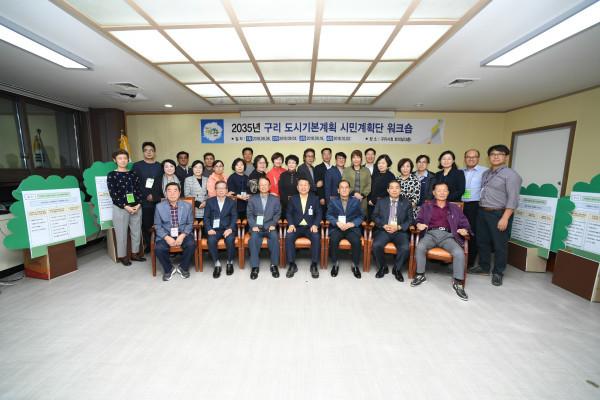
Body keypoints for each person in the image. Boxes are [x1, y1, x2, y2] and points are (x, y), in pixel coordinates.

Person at [470, 145, 522, 287]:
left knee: (500, 244)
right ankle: (484, 267)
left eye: (500, 154)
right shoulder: (486, 173)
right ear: (489, 157)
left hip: (499, 213)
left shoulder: (511, 175)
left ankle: (498, 272)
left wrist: (505, 218)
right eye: (493, 154)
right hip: (482, 211)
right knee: (482, 241)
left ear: (506, 157)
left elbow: (513, 198)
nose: (496, 156)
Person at [412, 182, 472, 301]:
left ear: (448, 192)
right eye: (439, 190)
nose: (442, 193)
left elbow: (464, 223)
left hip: (448, 236)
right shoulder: (427, 206)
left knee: (459, 253)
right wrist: (418, 224)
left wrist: (465, 230)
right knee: (420, 247)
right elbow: (418, 219)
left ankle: (458, 282)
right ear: (434, 192)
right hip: (430, 234)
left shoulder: (454, 208)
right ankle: (420, 275)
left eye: (445, 190)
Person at [107, 149, 145, 266]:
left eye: (125, 158)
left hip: (136, 207)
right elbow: (113, 194)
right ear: (115, 160)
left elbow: (139, 190)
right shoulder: (112, 175)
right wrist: (125, 206)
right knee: (121, 233)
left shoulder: (133, 174)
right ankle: (123, 256)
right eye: (120, 158)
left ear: (128, 160)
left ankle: (135, 253)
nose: (123, 160)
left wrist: (138, 204)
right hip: (120, 208)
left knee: (136, 231)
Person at [371, 180, 413, 281]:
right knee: (376, 245)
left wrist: (399, 227)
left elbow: (410, 220)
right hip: (384, 230)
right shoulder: (381, 202)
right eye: (392, 188)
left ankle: (397, 269)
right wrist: (383, 225)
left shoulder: (406, 203)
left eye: (397, 188)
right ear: (388, 190)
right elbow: (374, 216)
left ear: (400, 190)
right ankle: (382, 267)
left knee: (405, 248)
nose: (394, 190)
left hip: (399, 232)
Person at [153, 182, 195, 281]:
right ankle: (168, 269)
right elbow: (157, 225)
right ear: (165, 193)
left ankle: (183, 267)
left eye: (175, 190)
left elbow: (190, 223)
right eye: (169, 191)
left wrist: (182, 235)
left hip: (182, 233)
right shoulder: (159, 207)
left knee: (191, 244)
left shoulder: (187, 206)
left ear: (179, 193)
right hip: (166, 234)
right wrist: (167, 237)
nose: (172, 193)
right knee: (159, 248)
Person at [285, 177, 322, 279]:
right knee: (289, 236)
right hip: (296, 227)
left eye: (305, 185)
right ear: (297, 187)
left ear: (309, 187)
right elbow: (288, 213)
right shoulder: (293, 199)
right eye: (301, 185)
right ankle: (292, 264)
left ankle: (314, 264)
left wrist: (315, 225)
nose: (303, 187)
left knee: (316, 237)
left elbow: (319, 213)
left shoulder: (315, 198)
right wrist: (291, 224)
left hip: (310, 227)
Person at [326, 180, 363, 279]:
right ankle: (335, 264)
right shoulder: (333, 201)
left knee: (356, 241)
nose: (344, 189)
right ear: (338, 190)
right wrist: (336, 223)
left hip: (351, 228)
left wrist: (352, 223)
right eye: (341, 187)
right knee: (333, 240)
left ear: (349, 189)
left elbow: (361, 216)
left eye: (346, 187)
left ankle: (355, 265)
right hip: (337, 228)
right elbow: (328, 215)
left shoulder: (356, 201)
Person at [247, 177, 281, 280]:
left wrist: (273, 224)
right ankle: (255, 267)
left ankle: (274, 265)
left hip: (270, 226)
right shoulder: (252, 199)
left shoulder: (275, 199)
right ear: (258, 186)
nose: (263, 186)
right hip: (257, 227)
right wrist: (253, 225)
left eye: (265, 184)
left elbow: (277, 213)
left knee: (274, 238)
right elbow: (249, 214)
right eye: (261, 185)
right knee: (253, 239)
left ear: (269, 186)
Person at [131, 141, 162, 253]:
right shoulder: (137, 166)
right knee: (146, 224)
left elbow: (160, 183)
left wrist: (154, 195)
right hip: (143, 201)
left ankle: (159, 243)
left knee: (159, 223)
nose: (149, 152)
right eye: (146, 150)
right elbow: (134, 183)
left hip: (157, 199)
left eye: (151, 150)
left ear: (155, 152)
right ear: (143, 152)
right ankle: (149, 245)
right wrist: (145, 195)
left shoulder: (159, 166)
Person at [204, 180, 238, 278]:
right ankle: (217, 263)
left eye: (223, 188)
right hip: (214, 229)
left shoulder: (232, 202)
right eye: (218, 188)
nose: (221, 190)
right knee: (211, 240)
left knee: (230, 239)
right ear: (215, 190)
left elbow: (234, 217)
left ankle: (229, 262)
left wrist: (230, 228)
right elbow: (206, 217)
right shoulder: (210, 201)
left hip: (227, 228)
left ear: (226, 190)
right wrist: (209, 229)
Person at [462, 149, 488, 269]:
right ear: (465, 158)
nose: (471, 159)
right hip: (460, 204)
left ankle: (470, 261)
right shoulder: (460, 171)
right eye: (468, 156)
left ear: (478, 158)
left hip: (475, 205)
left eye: (474, 156)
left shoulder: (485, 171)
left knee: (472, 232)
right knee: (458, 230)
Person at [342, 149, 371, 215]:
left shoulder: (366, 170)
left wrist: (362, 195)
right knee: (349, 216)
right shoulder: (347, 170)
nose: (356, 159)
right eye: (354, 157)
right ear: (351, 159)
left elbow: (369, 185)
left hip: (362, 199)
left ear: (361, 159)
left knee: (362, 217)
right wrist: (354, 193)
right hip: (349, 198)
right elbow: (344, 184)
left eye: (358, 157)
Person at [368, 154, 395, 220]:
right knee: (370, 222)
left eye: (383, 163)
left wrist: (374, 201)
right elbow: (369, 187)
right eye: (379, 163)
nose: (380, 165)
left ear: (387, 164)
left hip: (383, 205)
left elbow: (389, 192)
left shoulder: (391, 176)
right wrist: (369, 199)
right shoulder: (375, 174)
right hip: (371, 205)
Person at [314, 147, 332, 218]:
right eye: (324, 154)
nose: (326, 156)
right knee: (322, 217)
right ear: (322, 156)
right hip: (323, 198)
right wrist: (321, 197)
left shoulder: (334, 168)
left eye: (328, 154)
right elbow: (318, 184)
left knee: (332, 216)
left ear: (331, 155)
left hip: (333, 198)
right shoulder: (318, 168)